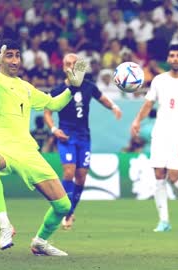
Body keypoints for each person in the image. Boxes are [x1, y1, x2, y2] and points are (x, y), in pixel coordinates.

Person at [0, 37, 86, 255]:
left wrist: (72, 88)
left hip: (28, 152)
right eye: (9, 55)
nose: (14, 60)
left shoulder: (26, 88)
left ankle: (40, 242)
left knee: (63, 206)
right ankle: (4, 225)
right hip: (1, 148)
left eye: (17, 55)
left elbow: (54, 104)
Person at [44, 53, 122, 230]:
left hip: (84, 137)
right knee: (69, 172)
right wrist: (54, 129)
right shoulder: (57, 90)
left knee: (81, 176)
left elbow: (103, 99)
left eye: (74, 63)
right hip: (66, 136)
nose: (71, 66)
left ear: (80, 67)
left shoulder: (89, 87)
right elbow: (47, 111)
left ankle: (70, 212)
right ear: (63, 67)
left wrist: (115, 107)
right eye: (68, 64)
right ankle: (62, 210)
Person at [130, 44, 178, 232]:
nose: (175, 59)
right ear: (168, 59)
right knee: (159, 176)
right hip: (160, 134)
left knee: (175, 176)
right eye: (172, 55)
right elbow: (148, 104)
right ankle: (164, 220)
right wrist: (137, 120)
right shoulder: (159, 81)